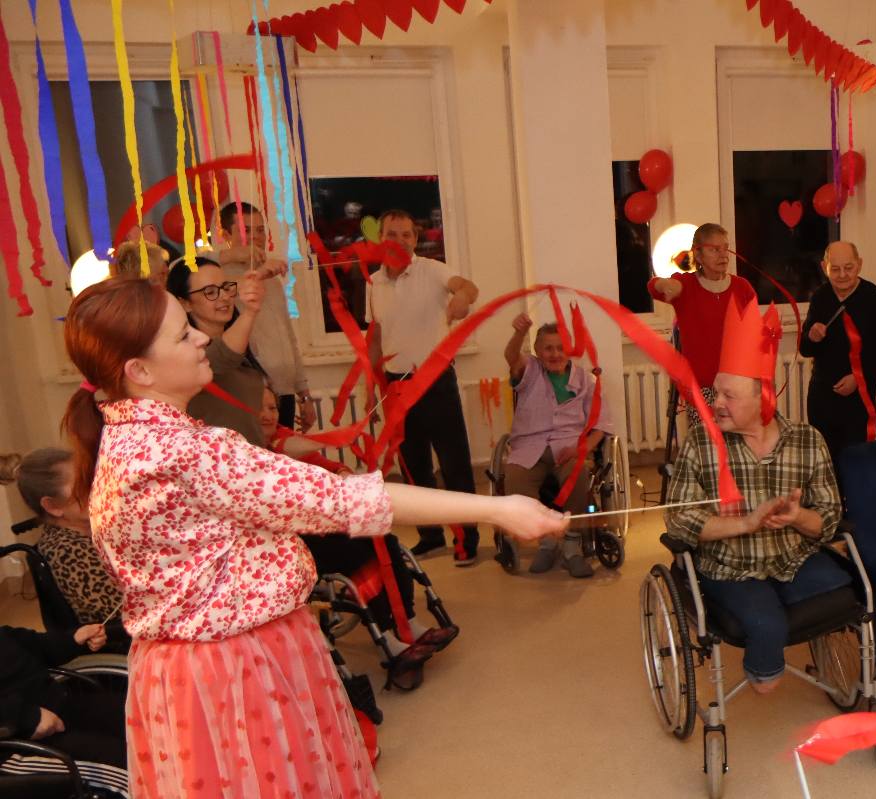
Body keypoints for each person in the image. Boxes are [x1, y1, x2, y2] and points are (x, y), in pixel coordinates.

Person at [61, 277, 565, 797]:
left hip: (179, 675)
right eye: (182, 333)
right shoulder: (189, 452)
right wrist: (498, 508)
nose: (202, 337)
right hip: (236, 668)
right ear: (139, 371)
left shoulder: (122, 440)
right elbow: (351, 500)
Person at [664, 297, 846, 695]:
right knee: (767, 624)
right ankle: (763, 671)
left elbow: (830, 515)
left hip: (793, 557)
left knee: (856, 591)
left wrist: (798, 517)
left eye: (728, 396)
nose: (716, 403)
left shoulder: (807, 441)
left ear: (762, 398)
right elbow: (679, 519)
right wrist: (747, 523)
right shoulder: (701, 442)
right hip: (730, 566)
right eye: (716, 393)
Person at [252, 386, 455, 663]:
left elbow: (318, 460)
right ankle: (388, 638)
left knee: (386, 541)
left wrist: (341, 471)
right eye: (259, 408)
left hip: (323, 524)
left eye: (272, 408)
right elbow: (287, 449)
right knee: (358, 557)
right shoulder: (246, 450)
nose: (267, 415)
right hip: (293, 540)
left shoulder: (282, 435)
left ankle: (407, 622)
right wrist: (339, 437)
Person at [367, 209, 485, 565]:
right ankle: (430, 537)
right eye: (392, 234)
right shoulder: (374, 283)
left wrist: (462, 297)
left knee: (454, 464)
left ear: (415, 240)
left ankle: (467, 540)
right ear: (381, 239)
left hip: (435, 381)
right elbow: (375, 338)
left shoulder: (432, 270)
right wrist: (371, 387)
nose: (400, 241)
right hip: (396, 386)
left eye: (407, 234)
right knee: (414, 466)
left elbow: (467, 287)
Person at [498, 314, 616, 578]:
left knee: (579, 475)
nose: (555, 354)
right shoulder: (529, 370)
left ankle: (572, 546)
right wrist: (519, 332)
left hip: (569, 448)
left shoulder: (586, 380)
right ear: (538, 351)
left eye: (561, 347)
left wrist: (582, 448)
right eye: (548, 348)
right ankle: (547, 542)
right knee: (515, 477)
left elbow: (601, 424)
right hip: (530, 447)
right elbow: (511, 356)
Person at [210, 201, 314, 432]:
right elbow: (182, 269)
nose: (255, 237)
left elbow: (289, 336)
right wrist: (229, 255)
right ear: (226, 235)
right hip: (253, 392)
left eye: (259, 230)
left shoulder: (272, 281)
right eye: (246, 230)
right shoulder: (218, 277)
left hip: (284, 391)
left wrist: (304, 394)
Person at [0, 450, 124, 635]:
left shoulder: (90, 530)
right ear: (53, 506)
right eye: (84, 485)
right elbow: (123, 613)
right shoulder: (69, 552)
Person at [798, 241, 876, 462]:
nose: (842, 275)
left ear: (859, 265)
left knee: (859, 460)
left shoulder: (873, 297)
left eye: (849, 267)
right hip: (822, 397)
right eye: (835, 269)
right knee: (824, 459)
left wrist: (859, 377)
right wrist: (811, 337)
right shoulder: (821, 296)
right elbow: (805, 349)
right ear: (824, 267)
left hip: (859, 398)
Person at [0, 621, 127, 798]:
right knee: (126, 764)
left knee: (139, 718)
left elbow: (38, 645)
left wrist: (74, 639)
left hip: (59, 707)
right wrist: (25, 717)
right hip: (16, 744)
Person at [647, 222, 757, 412]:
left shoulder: (742, 287)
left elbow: (754, 333)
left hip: (737, 384)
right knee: (707, 431)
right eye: (714, 249)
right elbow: (653, 286)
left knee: (740, 430)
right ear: (698, 255)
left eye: (725, 248)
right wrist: (665, 285)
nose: (723, 255)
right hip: (701, 386)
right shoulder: (686, 285)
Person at [166, 255, 270, 446]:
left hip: (248, 457)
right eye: (210, 292)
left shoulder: (240, 343)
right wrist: (250, 311)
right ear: (185, 303)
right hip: (215, 461)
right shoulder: (188, 354)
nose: (224, 296)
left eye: (225, 287)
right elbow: (223, 355)